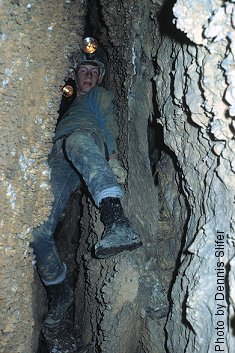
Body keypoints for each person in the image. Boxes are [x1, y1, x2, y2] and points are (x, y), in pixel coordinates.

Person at [32, 51, 142, 328]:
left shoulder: (99, 96)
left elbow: (108, 123)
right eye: (84, 71)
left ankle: (117, 222)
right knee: (37, 231)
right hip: (58, 156)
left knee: (76, 140)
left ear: (100, 77)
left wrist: (113, 156)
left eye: (94, 71)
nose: (89, 75)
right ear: (74, 75)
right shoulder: (67, 105)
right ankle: (60, 291)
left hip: (84, 140)